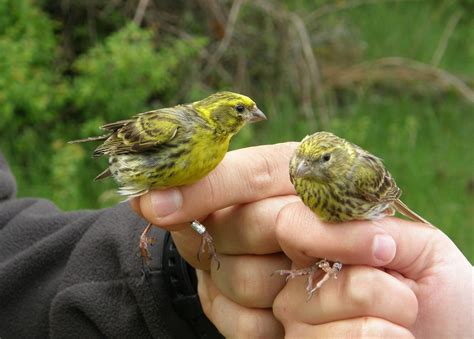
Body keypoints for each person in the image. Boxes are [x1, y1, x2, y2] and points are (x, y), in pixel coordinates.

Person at [0, 144, 472, 337]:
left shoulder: (359, 175)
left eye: (317, 162)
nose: (301, 171)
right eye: (299, 165)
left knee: (359, 246)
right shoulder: (305, 174)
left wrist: (185, 267)